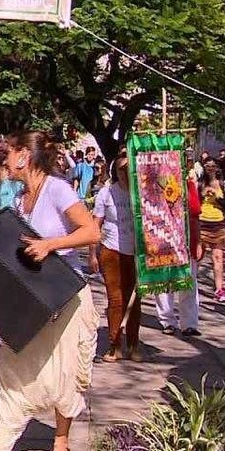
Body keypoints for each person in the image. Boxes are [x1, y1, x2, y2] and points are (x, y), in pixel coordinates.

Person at [0, 131, 99, 451]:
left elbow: (91, 231)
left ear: (24, 155)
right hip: (31, 295)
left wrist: (51, 244)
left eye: (9, 152)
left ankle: (61, 441)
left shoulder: (58, 188)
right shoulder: (21, 198)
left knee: (66, 370)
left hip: (65, 294)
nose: (4, 158)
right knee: (13, 365)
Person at [89, 155, 140, 361]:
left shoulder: (142, 193)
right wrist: (92, 253)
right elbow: (95, 224)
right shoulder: (106, 193)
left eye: (128, 169)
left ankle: (134, 346)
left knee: (135, 300)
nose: (125, 173)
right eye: (121, 169)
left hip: (136, 253)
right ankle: (115, 345)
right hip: (111, 250)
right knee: (116, 299)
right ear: (115, 172)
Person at [155, 175, 203, 337]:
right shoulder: (157, 183)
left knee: (189, 282)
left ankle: (189, 323)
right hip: (165, 241)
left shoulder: (189, 185)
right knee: (165, 282)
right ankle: (167, 320)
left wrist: (198, 242)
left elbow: (195, 214)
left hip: (187, 242)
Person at [196, 162, 225, 304]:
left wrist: (218, 196)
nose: (210, 168)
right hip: (202, 222)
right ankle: (192, 284)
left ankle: (219, 289)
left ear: (217, 168)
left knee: (218, 257)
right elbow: (193, 203)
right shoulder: (199, 184)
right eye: (207, 165)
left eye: (213, 165)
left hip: (218, 223)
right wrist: (202, 195)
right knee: (198, 255)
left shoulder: (224, 184)